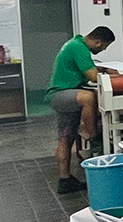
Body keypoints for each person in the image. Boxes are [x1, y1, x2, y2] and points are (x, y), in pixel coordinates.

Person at [48, 26, 115, 194]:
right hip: (60, 94)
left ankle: (65, 180)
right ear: (97, 41)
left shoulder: (76, 43)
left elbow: (89, 69)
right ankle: (94, 137)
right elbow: (93, 76)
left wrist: (105, 70)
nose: (103, 50)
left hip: (64, 93)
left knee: (65, 139)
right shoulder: (79, 47)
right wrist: (116, 77)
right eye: (104, 46)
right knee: (89, 97)